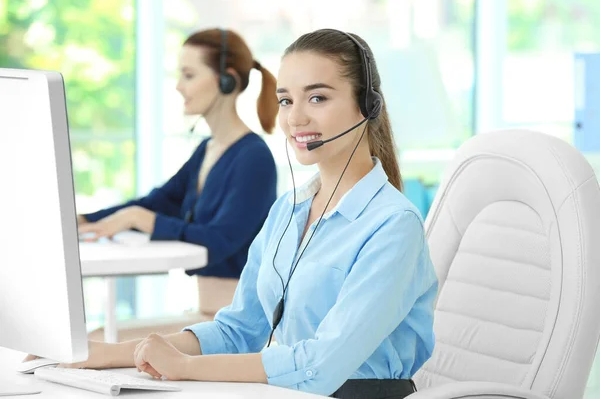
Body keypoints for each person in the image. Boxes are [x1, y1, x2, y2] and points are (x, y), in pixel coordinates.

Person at [30, 29, 438, 399]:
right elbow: (238, 330)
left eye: (318, 97)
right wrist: (110, 354)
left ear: (367, 105)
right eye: (286, 100)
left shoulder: (393, 226)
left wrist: (185, 368)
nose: (295, 118)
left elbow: (320, 366)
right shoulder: (288, 212)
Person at [78, 28, 279, 317]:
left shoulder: (254, 158)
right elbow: (157, 203)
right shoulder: (207, 150)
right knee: (93, 343)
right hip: (208, 315)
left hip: (241, 325)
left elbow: (218, 241)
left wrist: (140, 219)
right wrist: (85, 219)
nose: (178, 87)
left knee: (97, 345)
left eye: (189, 75)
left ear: (227, 81)